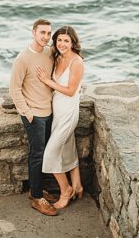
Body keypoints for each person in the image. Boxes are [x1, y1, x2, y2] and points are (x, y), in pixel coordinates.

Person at [8, 18, 58, 216]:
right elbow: (14, 89)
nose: (46, 37)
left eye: (48, 33)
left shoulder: (49, 53)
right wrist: (27, 114)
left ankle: (37, 189)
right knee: (36, 155)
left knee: (45, 153)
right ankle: (37, 198)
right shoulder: (22, 58)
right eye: (42, 33)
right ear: (33, 33)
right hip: (34, 115)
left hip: (48, 111)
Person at [37, 25, 85, 210]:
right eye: (59, 40)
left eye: (66, 41)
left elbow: (71, 91)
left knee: (50, 154)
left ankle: (66, 190)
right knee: (68, 148)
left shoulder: (76, 62)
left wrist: (47, 81)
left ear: (73, 42)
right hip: (57, 112)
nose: (62, 44)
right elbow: (40, 49)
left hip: (68, 112)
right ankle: (78, 185)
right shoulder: (57, 56)